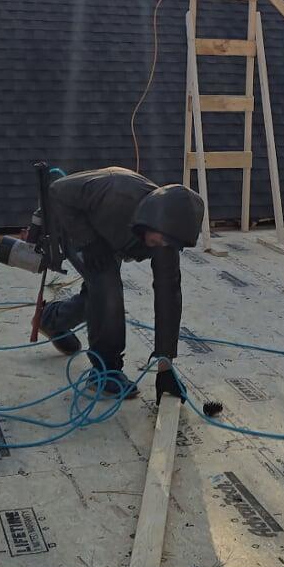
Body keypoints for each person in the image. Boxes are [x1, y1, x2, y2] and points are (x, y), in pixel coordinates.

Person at [38, 167, 205, 401]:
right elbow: (57, 190)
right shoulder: (116, 191)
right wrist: (88, 241)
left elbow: (168, 296)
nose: (162, 247)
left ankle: (50, 319)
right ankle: (104, 371)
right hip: (76, 226)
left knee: (98, 295)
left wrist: (165, 365)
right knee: (107, 289)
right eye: (161, 240)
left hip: (109, 235)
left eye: (170, 244)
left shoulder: (165, 235)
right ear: (153, 219)